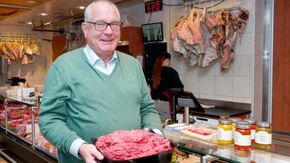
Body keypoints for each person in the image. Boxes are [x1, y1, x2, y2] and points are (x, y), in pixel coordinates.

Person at [38, 1, 162, 163]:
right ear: (85, 28)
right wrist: (79, 147)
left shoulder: (133, 65)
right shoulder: (63, 66)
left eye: (114, 24)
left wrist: (154, 135)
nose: (109, 31)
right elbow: (50, 119)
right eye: (100, 24)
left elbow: (147, 109)